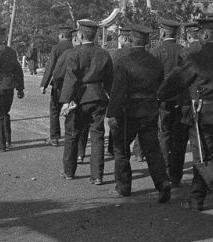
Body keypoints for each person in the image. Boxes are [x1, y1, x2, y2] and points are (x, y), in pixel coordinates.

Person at [157, 15, 213, 221]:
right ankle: (196, 200)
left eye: (200, 33)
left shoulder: (196, 59)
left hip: (201, 114)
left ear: (205, 35)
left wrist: (160, 95)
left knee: (202, 159)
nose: (198, 36)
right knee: (208, 156)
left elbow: (175, 83)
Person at [108, 22, 174, 201]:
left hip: (127, 112)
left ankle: (123, 187)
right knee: (152, 150)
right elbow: (161, 86)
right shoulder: (155, 62)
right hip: (150, 110)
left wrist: (112, 114)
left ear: (130, 39)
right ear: (146, 41)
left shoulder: (123, 61)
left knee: (121, 150)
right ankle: (163, 183)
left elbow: (118, 90)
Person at [59, 19, 113, 183]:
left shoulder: (74, 53)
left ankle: (69, 171)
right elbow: (110, 80)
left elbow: (70, 79)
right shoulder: (103, 53)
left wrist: (66, 101)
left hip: (79, 98)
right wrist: (112, 99)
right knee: (97, 137)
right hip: (98, 97)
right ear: (95, 35)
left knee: (72, 135)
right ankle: (97, 176)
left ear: (80, 35)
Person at [149, 14, 191, 188]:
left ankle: (165, 171)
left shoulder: (156, 52)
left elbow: (151, 78)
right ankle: (176, 174)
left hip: (163, 99)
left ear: (163, 33)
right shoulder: (184, 51)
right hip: (182, 99)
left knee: (164, 135)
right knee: (180, 138)